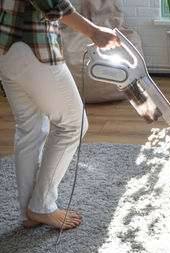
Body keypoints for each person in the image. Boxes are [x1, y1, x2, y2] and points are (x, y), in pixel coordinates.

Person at [0, 0, 119, 229]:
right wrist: (94, 32)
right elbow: (52, 4)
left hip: (6, 47)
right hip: (32, 47)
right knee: (74, 124)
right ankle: (41, 206)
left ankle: (29, 211)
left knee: (31, 129)